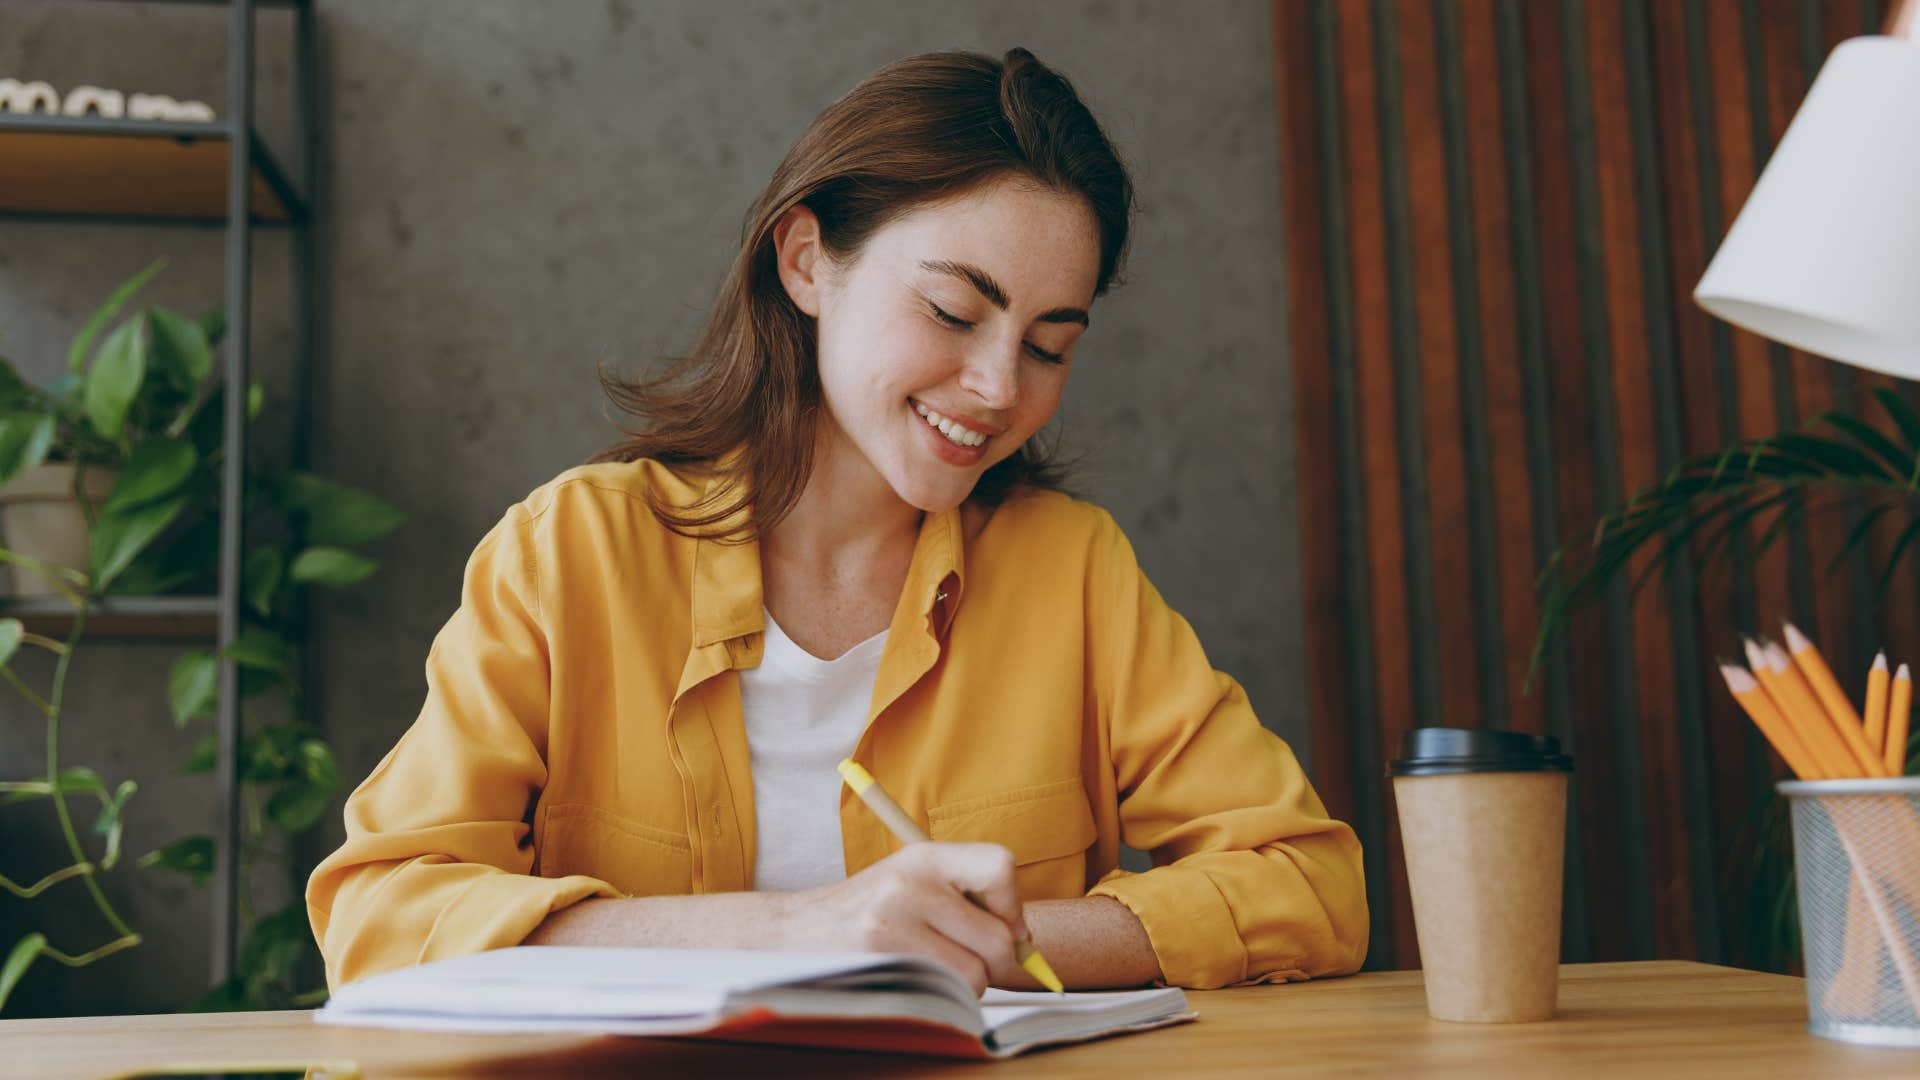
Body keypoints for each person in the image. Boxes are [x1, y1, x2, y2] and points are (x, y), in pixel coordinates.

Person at [306, 47, 1367, 997]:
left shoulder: (1071, 569)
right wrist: (802, 930)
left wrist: (976, 942)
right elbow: (381, 913)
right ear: (807, 261)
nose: (999, 386)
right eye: (955, 313)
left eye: (1049, 345)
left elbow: (1309, 885)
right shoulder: (572, 553)